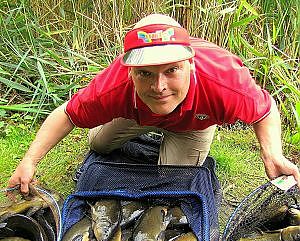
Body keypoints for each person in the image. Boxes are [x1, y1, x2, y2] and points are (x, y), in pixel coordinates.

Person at [8, 13, 300, 194]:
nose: (159, 86)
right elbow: (67, 115)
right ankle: (141, 127)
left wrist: (272, 153)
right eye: (145, 73)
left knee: (171, 179)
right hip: (136, 113)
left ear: (190, 64)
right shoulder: (113, 87)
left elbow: (265, 110)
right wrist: (29, 161)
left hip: (193, 124)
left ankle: (174, 139)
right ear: (130, 71)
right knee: (98, 144)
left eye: (171, 70)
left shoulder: (224, 82)